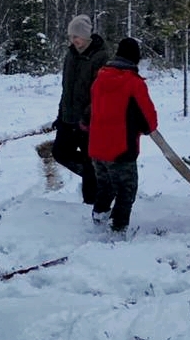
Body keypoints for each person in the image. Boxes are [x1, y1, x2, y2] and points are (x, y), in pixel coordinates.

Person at [88, 37, 158, 233]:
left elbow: (91, 109)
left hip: (97, 147)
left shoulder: (100, 79)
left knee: (105, 187)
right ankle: (117, 230)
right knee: (126, 191)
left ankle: (98, 220)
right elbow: (148, 121)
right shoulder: (134, 84)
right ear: (135, 59)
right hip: (121, 148)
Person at [52, 14, 108, 204]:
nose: (73, 40)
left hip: (88, 123)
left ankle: (91, 203)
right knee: (60, 153)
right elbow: (66, 90)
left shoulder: (100, 56)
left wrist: (88, 116)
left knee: (89, 160)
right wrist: (60, 115)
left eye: (76, 36)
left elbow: (100, 93)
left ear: (86, 36)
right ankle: (97, 176)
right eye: (70, 37)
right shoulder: (70, 55)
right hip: (68, 118)